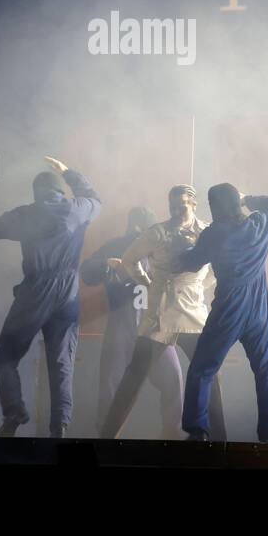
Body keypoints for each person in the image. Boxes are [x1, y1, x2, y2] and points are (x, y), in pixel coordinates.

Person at [0, 156, 100, 437]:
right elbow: (94, 198)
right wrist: (69, 172)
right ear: (61, 190)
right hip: (68, 291)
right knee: (61, 361)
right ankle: (60, 426)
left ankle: (14, 411)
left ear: (36, 193)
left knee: (5, 356)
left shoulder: (26, 215)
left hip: (35, 292)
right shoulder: (76, 209)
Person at [98, 185, 227, 440]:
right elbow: (128, 260)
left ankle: (221, 441)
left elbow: (219, 266)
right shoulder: (157, 232)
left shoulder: (208, 233)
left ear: (193, 204)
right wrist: (146, 281)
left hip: (193, 313)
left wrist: (199, 286)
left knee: (208, 373)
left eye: (181, 205)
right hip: (160, 313)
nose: (177, 211)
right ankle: (106, 438)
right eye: (172, 206)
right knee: (134, 374)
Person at [174, 184, 268, 443]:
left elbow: (191, 263)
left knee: (203, 368)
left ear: (214, 207)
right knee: (265, 369)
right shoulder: (260, 224)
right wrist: (250, 198)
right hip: (259, 309)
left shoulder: (214, 234)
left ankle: (197, 431)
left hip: (229, 308)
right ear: (237, 203)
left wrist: (182, 249)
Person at [80, 207, 184, 436]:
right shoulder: (118, 245)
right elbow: (87, 272)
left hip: (152, 326)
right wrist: (106, 264)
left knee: (172, 379)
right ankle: (108, 437)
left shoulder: (162, 248)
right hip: (127, 324)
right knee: (112, 385)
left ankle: (172, 434)